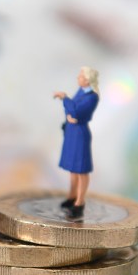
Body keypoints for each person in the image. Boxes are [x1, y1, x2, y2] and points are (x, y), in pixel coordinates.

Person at [53, 67, 99, 219]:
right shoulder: (81, 91)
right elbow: (71, 110)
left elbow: (75, 111)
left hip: (79, 134)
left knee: (81, 170)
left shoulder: (92, 97)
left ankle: (80, 202)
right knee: (73, 168)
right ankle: (72, 196)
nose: (78, 78)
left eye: (80, 76)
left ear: (87, 80)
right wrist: (70, 112)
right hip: (72, 131)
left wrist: (65, 99)